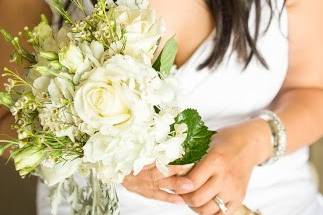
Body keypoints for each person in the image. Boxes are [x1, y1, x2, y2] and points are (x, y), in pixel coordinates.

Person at [1, 0, 323, 214]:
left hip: (278, 200)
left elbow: (313, 91)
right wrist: (106, 161)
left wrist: (255, 141)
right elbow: (7, 120)